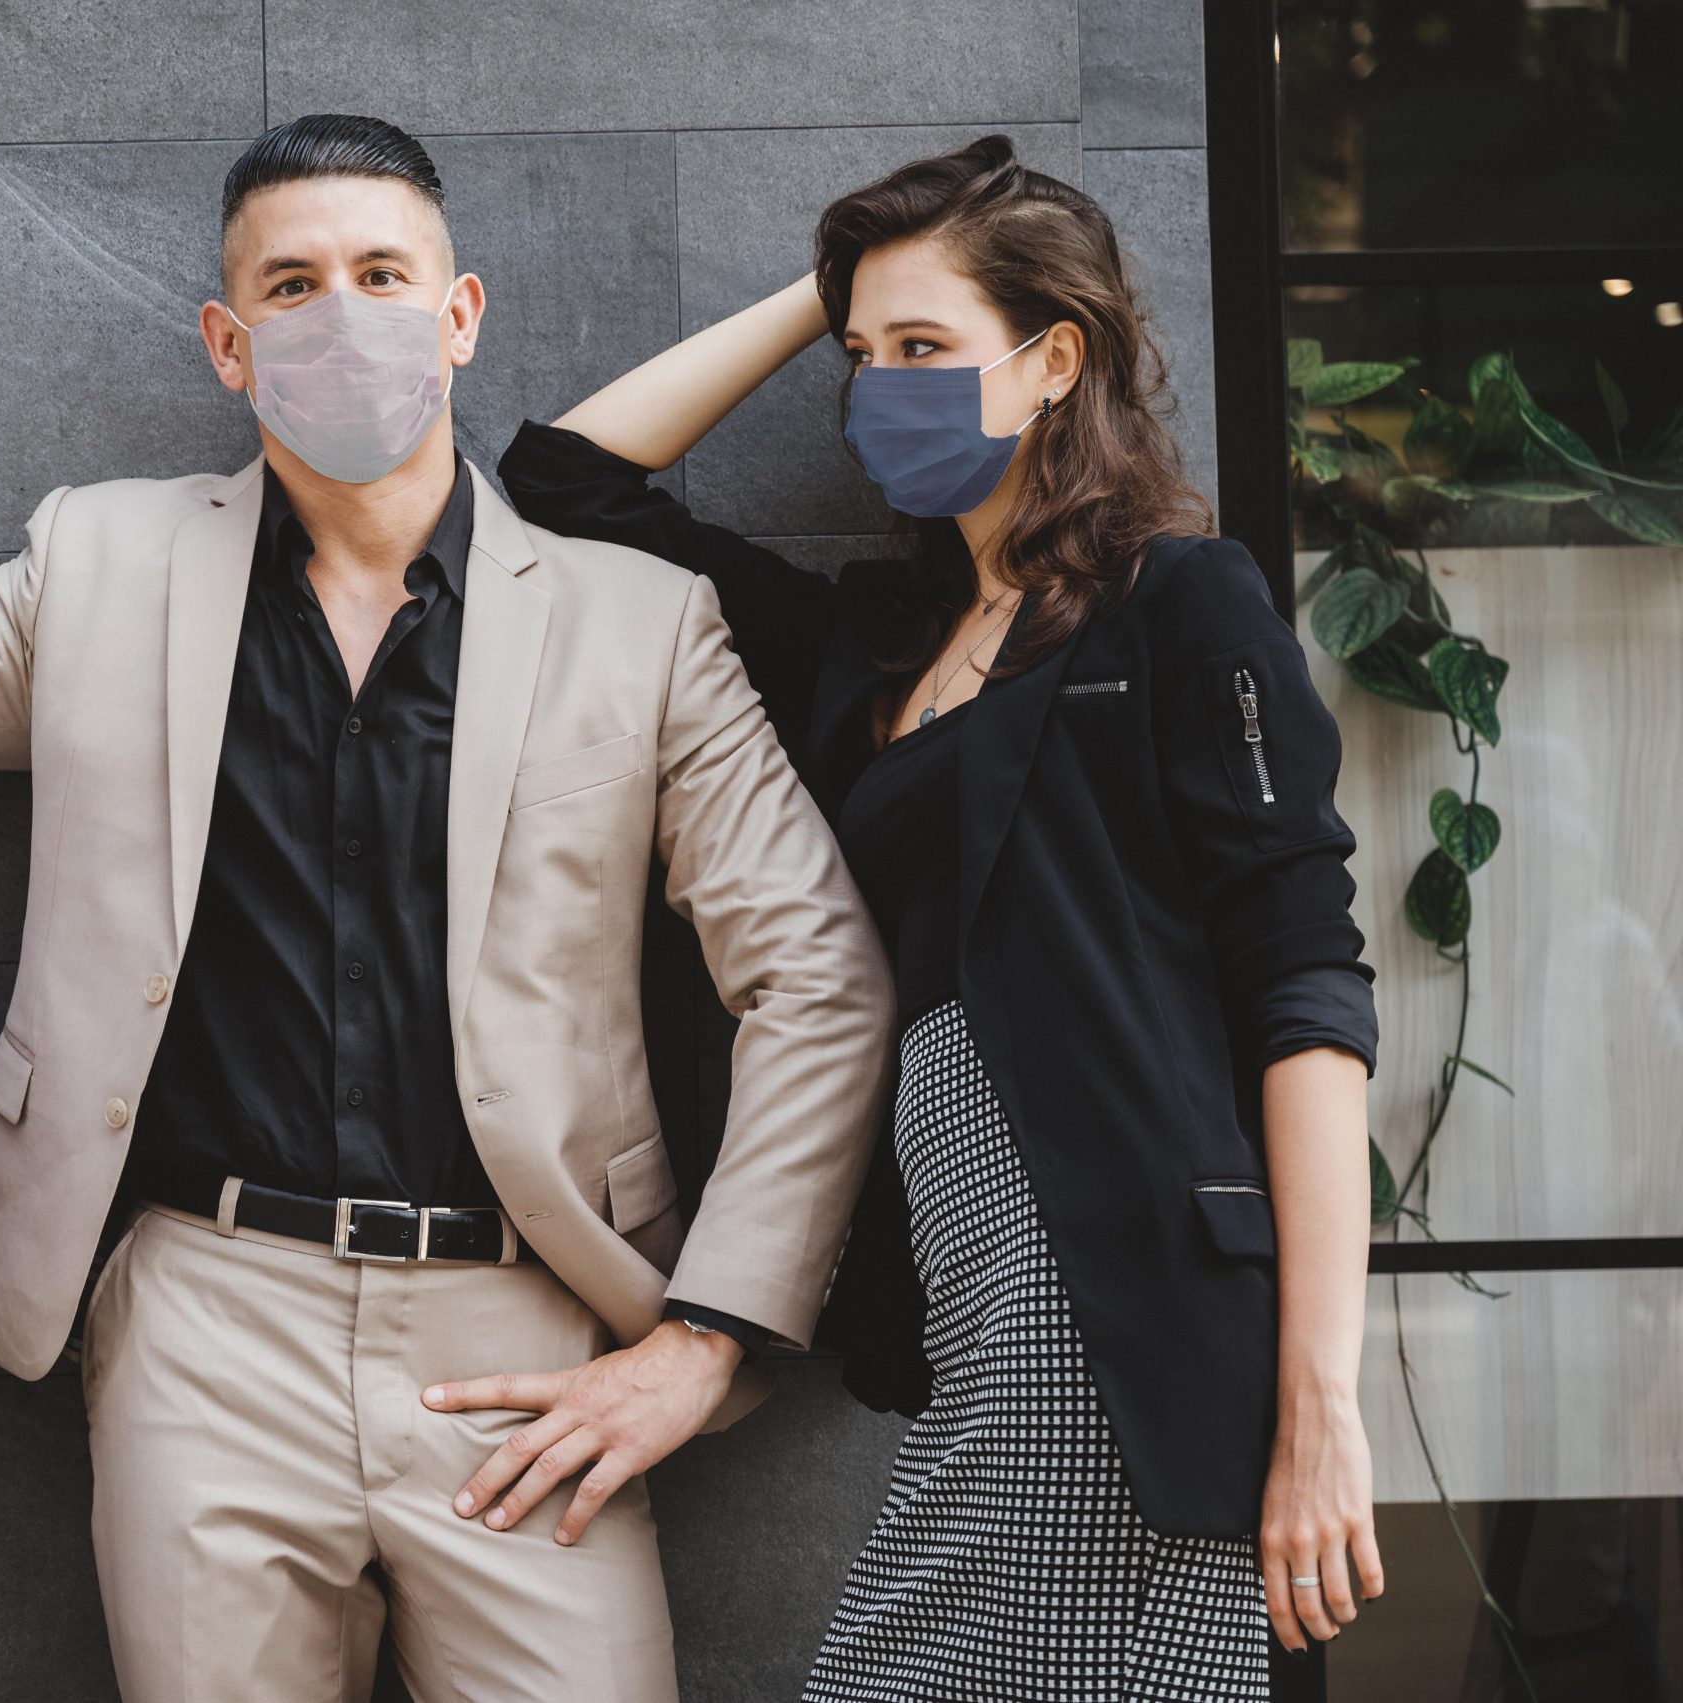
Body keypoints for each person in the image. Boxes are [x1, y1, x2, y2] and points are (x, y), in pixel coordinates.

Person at [0, 114, 894, 1703]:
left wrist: (707, 1336)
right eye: (293, 284)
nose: (343, 315)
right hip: (207, 1318)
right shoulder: (101, 563)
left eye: (383, 275)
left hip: (532, 1324)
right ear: (229, 341)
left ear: (459, 316)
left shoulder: (643, 623)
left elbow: (818, 975)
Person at [496, 134, 1383, 1702]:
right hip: (968, 1272)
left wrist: (1322, 1400)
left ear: (1054, 361)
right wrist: (826, 288)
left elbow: (1306, 990)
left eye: (924, 346)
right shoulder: (877, 641)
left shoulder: (1179, 601)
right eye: (862, 356)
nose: (876, 385)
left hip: (1120, 1292)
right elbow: (565, 485)